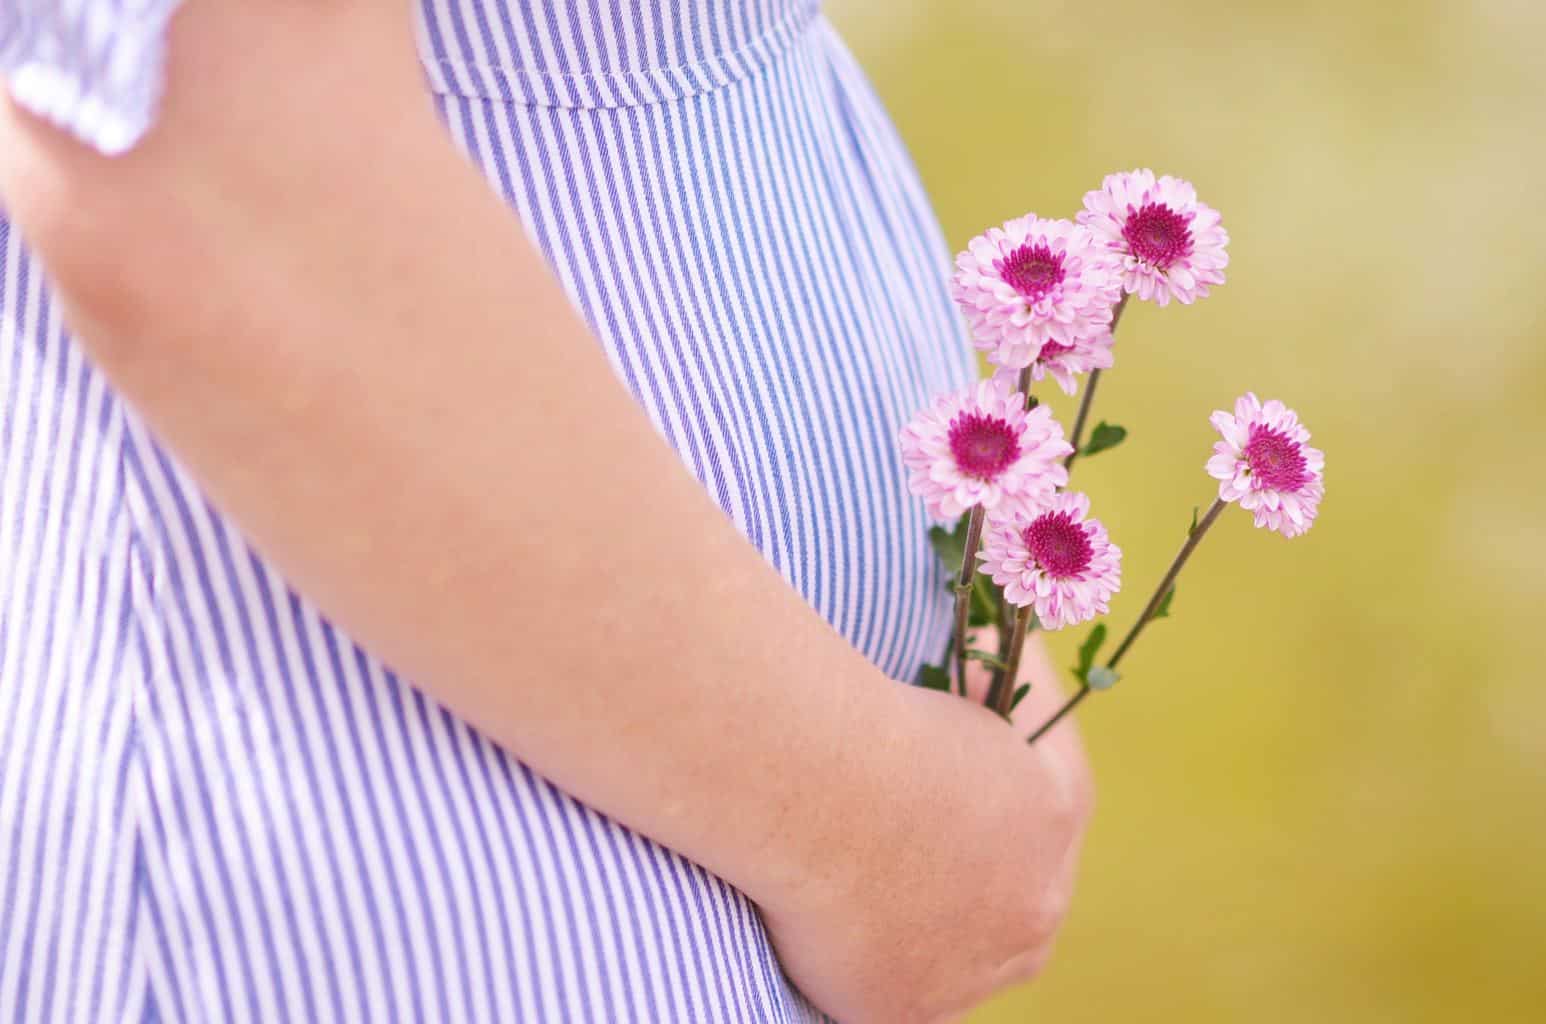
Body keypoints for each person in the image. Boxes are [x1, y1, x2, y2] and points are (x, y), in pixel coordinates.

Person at [0, 1, 1092, 1020]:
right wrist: (867, 831)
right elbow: (213, 178)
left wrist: (956, 618)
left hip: (674, 778)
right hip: (384, 842)